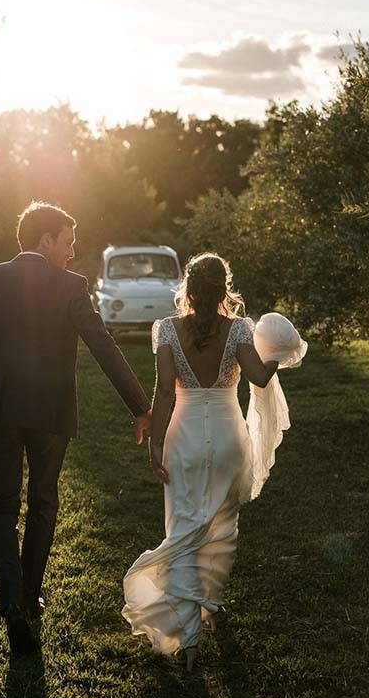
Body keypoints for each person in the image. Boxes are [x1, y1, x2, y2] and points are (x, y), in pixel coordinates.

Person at [0, 201, 151, 656]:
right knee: (43, 500)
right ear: (45, 240)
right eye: (67, 242)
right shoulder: (71, 287)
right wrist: (140, 406)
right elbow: (104, 346)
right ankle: (28, 595)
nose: (72, 252)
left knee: (2, 507)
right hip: (50, 413)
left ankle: (10, 605)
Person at [122, 252, 306, 672]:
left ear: (187, 287)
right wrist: (277, 350)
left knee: (185, 526)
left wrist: (155, 445)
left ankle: (190, 640)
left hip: (182, 439)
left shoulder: (167, 330)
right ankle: (209, 603)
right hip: (227, 439)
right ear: (224, 288)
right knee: (221, 528)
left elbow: (164, 393)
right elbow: (259, 378)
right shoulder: (239, 328)